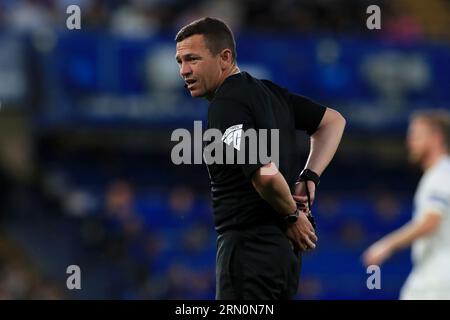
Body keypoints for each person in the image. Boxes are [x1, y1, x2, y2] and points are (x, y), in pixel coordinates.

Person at [174, 17, 346, 299]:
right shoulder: (271, 93)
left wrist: (292, 216)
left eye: (192, 59)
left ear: (224, 57)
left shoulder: (226, 104)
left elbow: (264, 174)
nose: (184, 70)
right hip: (282, 256)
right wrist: (310, 176)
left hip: (249, 251)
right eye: (180, 61)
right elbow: (334, 122)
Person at [363, 110, 450, 300]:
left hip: (437, 280)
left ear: (436, 138)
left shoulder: (441, 174)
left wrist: (386, 245)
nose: (410, 142)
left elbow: (430, 221)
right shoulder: (438, 174)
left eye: (416, 136)